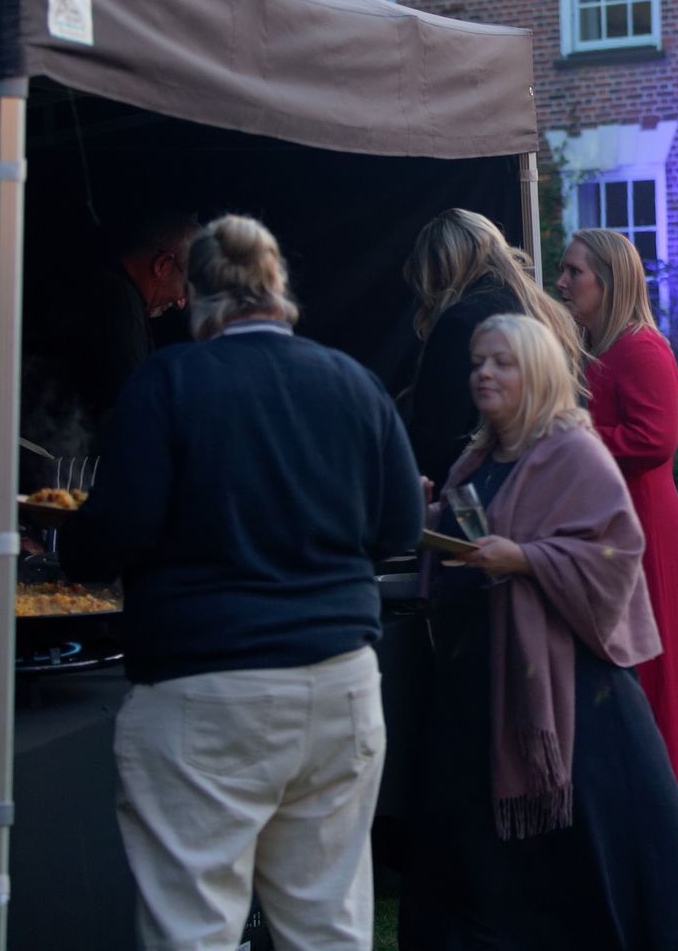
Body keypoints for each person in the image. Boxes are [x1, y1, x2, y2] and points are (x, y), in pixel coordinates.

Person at [59, 214, 423, 948]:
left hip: (206, 688)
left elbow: (111, 537)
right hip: (338, 682)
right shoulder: (353, 382)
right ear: (277, 289)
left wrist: (69, 541)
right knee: (327, 928)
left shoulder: (168, 382)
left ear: (195, 296)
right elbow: (400, 532)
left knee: (194, 929)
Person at [398, 314, 678, 950]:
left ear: (538, 374)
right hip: (477, 680)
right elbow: (466, 526)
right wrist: (426, 510)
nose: (483, 373)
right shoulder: (477, 455)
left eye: (502, 362)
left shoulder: (573, 453)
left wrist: (525, 558)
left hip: (572, 694)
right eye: (478, 362)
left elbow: (617, 553)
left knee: (577, 851)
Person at [555, 228, 678, 796]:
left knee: (653, 668)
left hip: (643, 529)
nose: (562, 282)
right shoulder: (598, 346)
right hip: (610, 525)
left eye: (574, 272)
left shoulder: (640, 347)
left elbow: (652, 441)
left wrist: (566, 431)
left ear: (609, 281)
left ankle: (656, 791)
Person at [402, 208, 585, 487]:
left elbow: (438, 432)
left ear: (439, 267)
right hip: (553, 480)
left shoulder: (460, 322)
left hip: (486, 494)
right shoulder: (547, 312)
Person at [23, 208, 198, 452]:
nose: (181, 302)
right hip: (50, 457)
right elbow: (131, 412)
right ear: (162, 265)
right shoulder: (119, 303)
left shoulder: (108, 289)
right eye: (187, 285)